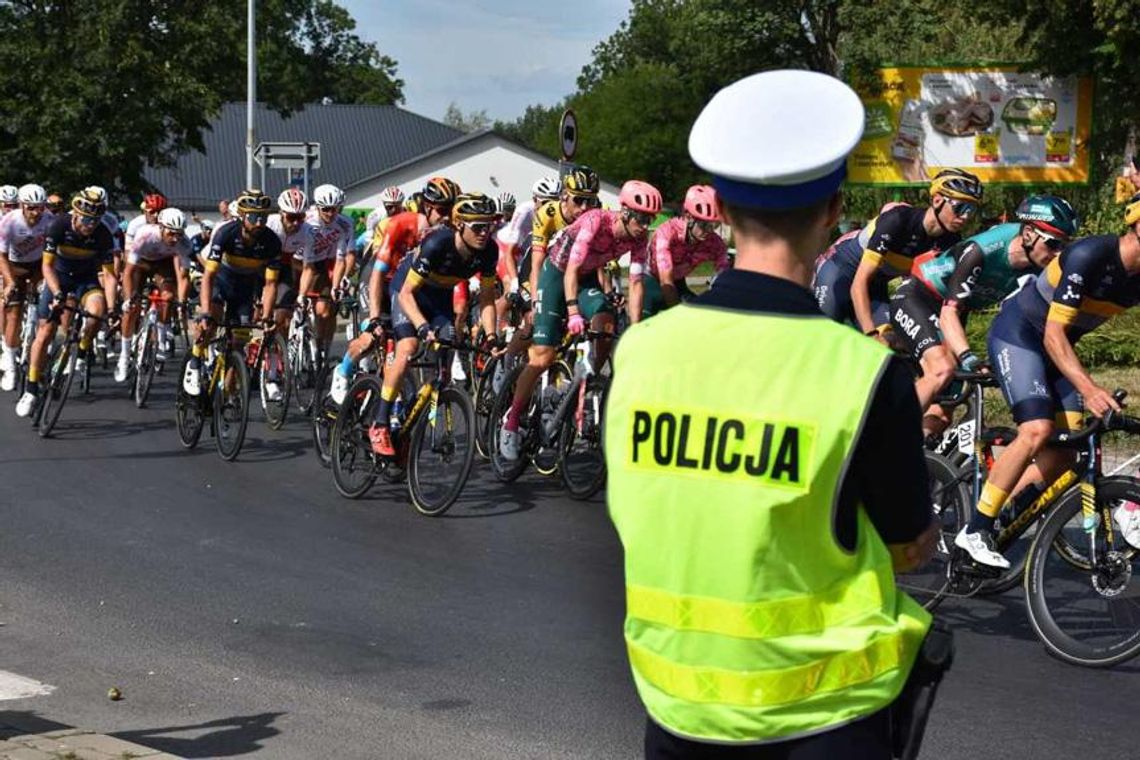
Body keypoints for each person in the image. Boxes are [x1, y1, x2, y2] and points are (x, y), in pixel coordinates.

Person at [605, 70, 938, 758]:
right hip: (823, 714)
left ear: (719, 208)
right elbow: (910, 547)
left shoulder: (640, 352)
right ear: (834, 211)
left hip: (676, 707)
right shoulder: (864, 373)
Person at [955, 191, 1140, 568]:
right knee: (1037, 429)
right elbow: (1053, 334)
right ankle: (975, 528)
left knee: (1066, 452)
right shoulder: (1089, 255)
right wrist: (1089, 389)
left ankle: (1002, 518)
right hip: (1019, 335)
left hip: (1056, 353)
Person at [890, 194, 1078, 432]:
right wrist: (967, 356)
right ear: (1028, 234)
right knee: (942, 369)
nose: (1058, 254)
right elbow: (948, 314)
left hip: (956, 313)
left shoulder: (1038, 264)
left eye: (1065, 246)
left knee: (944, 410)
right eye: (1053, 244)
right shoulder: (983, 250)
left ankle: (922, 457)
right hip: (919, 297)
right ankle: (886, 437)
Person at [498, 178, 653, 461]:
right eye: (642, 218)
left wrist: (637, 326)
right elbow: (571, 269)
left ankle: (583, 378)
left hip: (584, 278)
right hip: (557, 274)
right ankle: (512, 420)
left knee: (606, 319)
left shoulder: (640, 238)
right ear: (627, 213)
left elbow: (637, 283)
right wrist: (572, 312)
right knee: (543, 356)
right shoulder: (595, 221)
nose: (645, 225)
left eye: (650, 220)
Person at [367, 193, 499, 456]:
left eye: (489, 225)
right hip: (408, 292)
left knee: (443, 366)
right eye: (478, 226)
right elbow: (405, 294)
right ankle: (380, 423)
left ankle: (409, 421)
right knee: (408, 347)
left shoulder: (489, 252)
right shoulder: (438, 243)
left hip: (439, 299)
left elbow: (486, 299)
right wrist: (423, 327)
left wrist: (492, 337)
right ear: (460, 225)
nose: (485, 232)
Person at [328, 177, 458, 404]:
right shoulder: (400, 224)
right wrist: (376, 317)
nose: (447, 217)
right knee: (372, 334)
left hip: (407, 286)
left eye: (451, 210)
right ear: (427, 207)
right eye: (442, 210)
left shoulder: (450, 232)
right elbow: (377, 273)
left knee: (405, 347)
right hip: (380, 278)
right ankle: (343, 371)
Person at [813, 169, 982, 335]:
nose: (966, 217)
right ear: (937, 200)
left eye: (971, 210)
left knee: (891, 339)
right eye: (960, 208)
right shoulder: (898, 220)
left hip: (877, 285)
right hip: (839, 271)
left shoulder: (951, 242)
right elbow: (859, 284)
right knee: (823, 334)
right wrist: (871, 334)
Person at [16, 188, 119, 417]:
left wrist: (112, 310)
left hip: (86, 280)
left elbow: (110, 276)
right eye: (85, 219)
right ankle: (31, 390)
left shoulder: (102, 235)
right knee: (45, 331)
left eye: (95, 220)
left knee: (96, 311)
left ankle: (81, 355)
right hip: (58, 278)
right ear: (75, 213)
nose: (89, 224)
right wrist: (57, 293)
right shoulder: (58, 226)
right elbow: (47, 266)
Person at [183, 189, 281, 397]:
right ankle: (195, 360)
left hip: (245, 286)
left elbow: (271, 284)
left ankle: (226, 392)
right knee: (210, 320)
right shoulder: (226, 233)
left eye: (263, 217)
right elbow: (208, 277)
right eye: (254, 217)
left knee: (240, 340)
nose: (259, 223)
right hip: (221, 280)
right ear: (243, 216)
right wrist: (206, 312)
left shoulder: (272, 242)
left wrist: (266, 316)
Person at [116, 207, 192, 380]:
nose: (175, 239)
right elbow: (128, 271)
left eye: (179, 234)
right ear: (161, 227)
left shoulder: (183, 243)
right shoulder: (145, 235)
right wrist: (128, 299)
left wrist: (182, 301)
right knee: (131, 308)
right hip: (140, 264)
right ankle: (124, 356)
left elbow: (184, 276)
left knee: (168, 297)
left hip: (162, 265)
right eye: (171, 234)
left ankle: (162, 334)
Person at [641, 184, 730, 319]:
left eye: (714, 225)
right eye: (704, 225)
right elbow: (666, 281)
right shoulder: (666, 233)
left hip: (679, 283)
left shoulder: (715, 243)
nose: (708, 231)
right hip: (651, 281)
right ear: (688, 217)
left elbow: (725, 280)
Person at [0, 184, 51, 392]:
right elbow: (1, 256)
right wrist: (10, 281)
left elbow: (55, 251)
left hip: (39, 265)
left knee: (45, 316)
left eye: (40, 207)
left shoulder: (49, 220)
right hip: (15, 266)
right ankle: (10, 364)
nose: (36, 212)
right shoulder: (9, 222)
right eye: (31, 208)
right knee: (13, 313)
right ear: (21, 206)